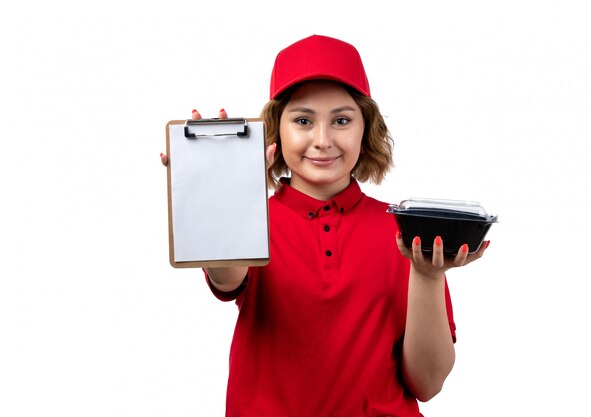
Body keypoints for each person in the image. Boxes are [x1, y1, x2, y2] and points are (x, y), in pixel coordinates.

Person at [161, 34, 489, 417]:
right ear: (275, 131)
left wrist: (429, 277)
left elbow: (427, 383)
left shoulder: (400, 231)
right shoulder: (252, 222)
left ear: (365, 130)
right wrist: (223, 202)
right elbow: (227, 279)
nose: (322, 140)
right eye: (303, 120)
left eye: (341, 120)